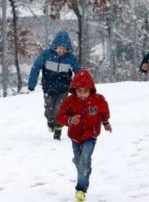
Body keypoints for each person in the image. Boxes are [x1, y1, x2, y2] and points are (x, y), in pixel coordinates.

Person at [56, 69, 112, 202]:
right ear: (74, 89)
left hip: (90, 135)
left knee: (85, 159)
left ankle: (80, 189)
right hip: (75, 136)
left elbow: (104, 112)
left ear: (90, 90)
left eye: (85, 91)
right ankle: (83, 168)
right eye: (79, 91)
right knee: (79, 161)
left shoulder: (97, 100)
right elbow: (60, 116)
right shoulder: (70, 101)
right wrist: (69, 120)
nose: (82, 94)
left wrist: (106, 122)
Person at [28, 31, 81, 140]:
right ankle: (50, 121)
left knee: (60, 110)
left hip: (63, 89)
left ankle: (58, 130)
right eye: (59, 48)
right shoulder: (46, 55)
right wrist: (31, 84)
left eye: (64, 49)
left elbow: (78, 72)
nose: (61, 51)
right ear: (54, 47)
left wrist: (80, 86)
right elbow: (35, 67)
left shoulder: (70, 58)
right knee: (49, 110)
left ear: (68, 49)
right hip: (48, 87)